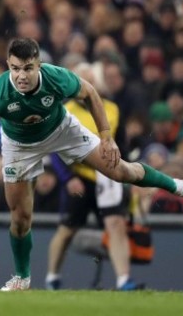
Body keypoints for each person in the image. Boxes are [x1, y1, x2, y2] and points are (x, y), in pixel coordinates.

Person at [0, 38, 183, 291]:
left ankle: (179, 186)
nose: (21, 76)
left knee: (120, 171)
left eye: (27, 68)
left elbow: (90, 93)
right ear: (8, 65)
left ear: (38, 65)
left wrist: (106, 137)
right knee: (20, 219)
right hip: (19, 146)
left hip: (62, 130)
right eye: (15, 69)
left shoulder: (56, 77)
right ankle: (22, 278)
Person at [46, 63, 141, 291]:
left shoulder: (112, 109)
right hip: (80, 176)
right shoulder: (64, 110)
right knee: (67, 229)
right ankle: (52, 277)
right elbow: (54, 149)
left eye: (89, 80)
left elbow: (122, 147)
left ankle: (123, 280)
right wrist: (68, 178)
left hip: (108, 176)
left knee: (115, 224)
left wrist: (129, 177)